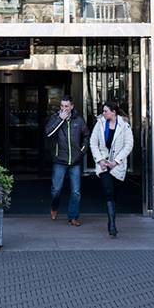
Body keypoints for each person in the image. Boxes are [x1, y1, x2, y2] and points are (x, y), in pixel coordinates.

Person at [89, 101, 134, 237]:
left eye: (106, 111)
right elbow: (93, 143)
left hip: (117, 165)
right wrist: (100, 160)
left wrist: (116, 161)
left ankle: (111, 217)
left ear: (113, 112)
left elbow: (128, 145)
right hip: (103, 164)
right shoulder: (100, 124)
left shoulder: (124, 126)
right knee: (108, 191)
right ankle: (112, 224)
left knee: (115, 194)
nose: (103, 113)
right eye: (103, 111)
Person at [44, 95, 90, 226]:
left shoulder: (79, 120)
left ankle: (73, 217)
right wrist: (60, 119)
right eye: (62, 106)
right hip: (60, 160)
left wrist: (82, 151)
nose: (63, 108)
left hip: (75, 161)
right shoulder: (55, 118)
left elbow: (86, 135)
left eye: (66, 106)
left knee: (76, 192)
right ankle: (54, 206)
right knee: (56, 190)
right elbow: (48, 133)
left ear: (72, 106)